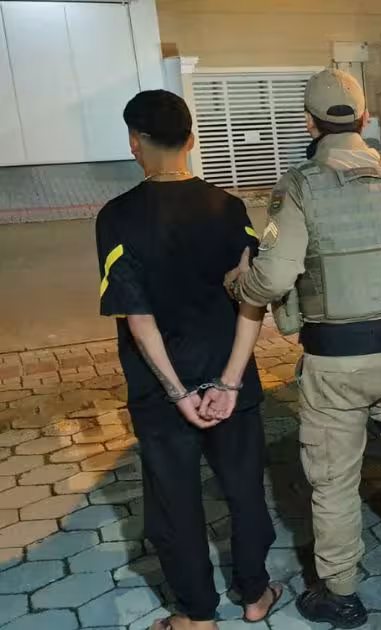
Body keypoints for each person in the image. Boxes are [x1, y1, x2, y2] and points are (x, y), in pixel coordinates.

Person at [224, 68, 381, 628]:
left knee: (334, 478)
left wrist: (238, 285)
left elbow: (273, 278)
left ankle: (341, 593)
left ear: (309, 123)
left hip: (335, 363)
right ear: (364, 117)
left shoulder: (300, 186)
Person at [94, 90, 281, 630]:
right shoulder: (231, 209)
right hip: (231, 380)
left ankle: (197, 616)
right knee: (245, 491)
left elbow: (138, 317)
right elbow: (253, 301)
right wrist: (230, 381)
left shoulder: (117, 218)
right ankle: (255, 595)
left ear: (135, 142)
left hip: (160, 391)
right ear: (192, 139)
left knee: (175, 503)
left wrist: (177, 393)